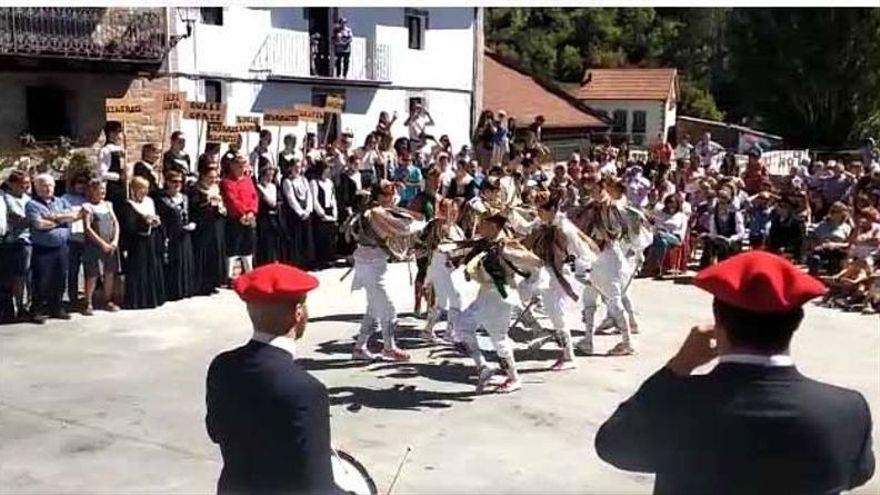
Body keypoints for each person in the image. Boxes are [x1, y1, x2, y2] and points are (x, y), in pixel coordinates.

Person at [595, 251, 875, 495]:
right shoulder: (846, 409)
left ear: (718, 324)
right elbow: (858, 473)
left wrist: (677, 368)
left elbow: (613, 445)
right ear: (797, 322)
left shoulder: (679, 403)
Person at [206, 263, 340, 495]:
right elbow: (318, 487)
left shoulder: (222, 366)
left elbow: (215, 432)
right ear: (298, 313)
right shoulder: (307, 390)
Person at [453, 212, 543, 393]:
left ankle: (513, 378)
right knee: (462, 326)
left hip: (501, 295)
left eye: (483, 224)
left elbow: (536, 263)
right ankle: (483, 367)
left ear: (493, 227)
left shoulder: (507, 247)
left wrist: (531, 288)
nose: (479, 227)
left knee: (498, 337)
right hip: (485, 294)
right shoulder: (486, 244)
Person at [349, 181, 426, 362]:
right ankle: (389, 348)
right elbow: (402, 227)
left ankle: (360, 347)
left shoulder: (376, 209)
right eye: (387, 194)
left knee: (373, 309)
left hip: (372, 264)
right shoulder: (376, 212)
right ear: (379, 196)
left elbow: (395, 206)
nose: (392, 197)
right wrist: (421, 224)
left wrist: (394, 186)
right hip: (370, 265)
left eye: (391, 194)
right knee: (388, 309)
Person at [26, 174, 81, 323]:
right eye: (44, 185)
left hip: (62, 246)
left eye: (50, 185)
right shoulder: (32, 204)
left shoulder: (61, 201)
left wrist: (53, 217)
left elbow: (75, 215)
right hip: (43, 248)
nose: (48, 188)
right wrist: (60, 220)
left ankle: (56, 307)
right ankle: (37, 310)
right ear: (37, 187)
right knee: (41, 280)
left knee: (60, 277)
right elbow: (39, 224)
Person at [121, 177, 165, 310]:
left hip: (152, 240)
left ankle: (153, 298)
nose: (144, 191)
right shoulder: (128, 205)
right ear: (134, 189)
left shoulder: (150, 202)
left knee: (153, 267)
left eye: (146, 188)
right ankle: (138, 300)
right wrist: (144, 222)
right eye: (141, 188)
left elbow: (156, 216)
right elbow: (129, 225)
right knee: (139, 269)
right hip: (138, 243)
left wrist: (155, 221)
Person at [81, 179, 120, 315]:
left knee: (109, 273)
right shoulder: (87, 207)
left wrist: (115, 240)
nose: (102, 191)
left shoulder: (108, 205)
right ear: (91, 191)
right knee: (93, 274)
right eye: (99, 189)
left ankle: (107, 300)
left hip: (111, 244)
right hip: (94, 245)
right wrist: (102, 243)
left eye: (103, 189)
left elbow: (115, 223)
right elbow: (87, 228)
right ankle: (88, 302)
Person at [156, 170, 196, 302]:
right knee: (174, 263)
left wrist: (192, 223)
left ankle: (186, 289)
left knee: (185, 261)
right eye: (174, 181)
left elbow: (191, 214)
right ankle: (173, 291)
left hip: (185, 235)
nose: (177, 184)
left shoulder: (185, 198)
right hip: (172, 236)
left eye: (180, 181)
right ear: (167, 182)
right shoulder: (162, 200)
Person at [189, 167, 227, 296]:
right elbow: (194, 207)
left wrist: (221, 209)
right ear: (203, 177)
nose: (213, 180)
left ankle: (212, 283)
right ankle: (201, 285)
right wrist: (207, 202)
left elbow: (221, 205)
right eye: (210, 177)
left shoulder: (215, 189)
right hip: (203, 226)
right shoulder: (195, 190)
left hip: (216, 225)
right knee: (203, 254)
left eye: (215, 177)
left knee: (214, 253)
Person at [221, 155, 259, 279]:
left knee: (248, 246)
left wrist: (252, 211)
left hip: (249, 217)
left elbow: (254, 196)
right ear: (232, 166)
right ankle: (229, 276)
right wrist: (243, 213)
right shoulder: (227, 181)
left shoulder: (248, 180)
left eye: (243, 165)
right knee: (233, 247)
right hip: (235, 218)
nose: (241, 168)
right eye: (239, 165)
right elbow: (232, 199)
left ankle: (249, 273)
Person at [2, 171, 32, 321]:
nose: (26, 186)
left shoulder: (27, 198)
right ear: (12, 184)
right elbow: (18, 218)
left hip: (31, 239)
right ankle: (18, 306)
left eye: (27, 183)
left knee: (30, 276)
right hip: (17, 241)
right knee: (19, 276)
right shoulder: (7, 198)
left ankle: (30, 305)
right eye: (22, 184)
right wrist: (38, 218)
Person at [281, 157, 315, 268]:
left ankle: (308, 261)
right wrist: (300, 212)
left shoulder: (304, 180)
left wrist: (308, 209)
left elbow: (309, 195)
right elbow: (291, 198)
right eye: (295, 167)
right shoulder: (287, 181)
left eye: (299, 167)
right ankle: (297, 262)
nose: (298, 170)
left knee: (307, 238)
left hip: (306, 211)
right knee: (297, 238)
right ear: (290, 168)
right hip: (295, 215)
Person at [61, 172, 89, 308]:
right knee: (73, 269)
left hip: (88, 238)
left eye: (84, 182)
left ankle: (87, 297)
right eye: (79, 182)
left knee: (90, 270)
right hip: (72, 239)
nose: (81, 185)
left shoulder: (89, 198)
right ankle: (72, 297)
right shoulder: (65, 198)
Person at [700, 189, 745, 267]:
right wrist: (710, 236)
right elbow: (713, 231)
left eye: (724, 203)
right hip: (720, 240)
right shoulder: (714, 216)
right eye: (720, 203)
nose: (722, 206)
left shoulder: (735, 215)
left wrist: (731, 239)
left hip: (733, 241)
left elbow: (741, 233)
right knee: (709, 245)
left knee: (725, 247)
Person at [807, 201, 853, 275]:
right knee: (815, 258)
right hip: (822, 248)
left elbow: (849, 243)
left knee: (836, 258)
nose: (832, 214)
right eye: (831, 211)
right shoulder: (822, 225)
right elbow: (815, 237)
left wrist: (835, 244)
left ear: (842, 213)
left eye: (835, 212)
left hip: (838, 250)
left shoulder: (847, 228)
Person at [310, 161, 339, 269]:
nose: (328, 172)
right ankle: (321, 261)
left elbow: (332, 197)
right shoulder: (314, 183)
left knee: (330, 237)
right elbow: (314, 200)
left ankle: (330, 259)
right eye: (327, 169)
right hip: (320, 213)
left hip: (330, 210)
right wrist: (321, 213)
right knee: (321, 238)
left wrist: (334, 211)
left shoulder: (330, 183)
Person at [255, 160, 284, 267]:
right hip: (264, 218)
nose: (271, 175)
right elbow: (270, 201)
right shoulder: (259, 187)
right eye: (269, 172)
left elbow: (275, 202)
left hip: (274, 217)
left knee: (274, 241)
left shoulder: (273, 186)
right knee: (265, 242)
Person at [97, 121, 128, 213]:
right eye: (118, 132)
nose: (121, 136)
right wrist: (119, 176)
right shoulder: (106, 151)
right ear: (111, 134)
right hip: (112, 187)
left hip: (122, 187)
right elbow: (102, 173)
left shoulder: (121, 150)